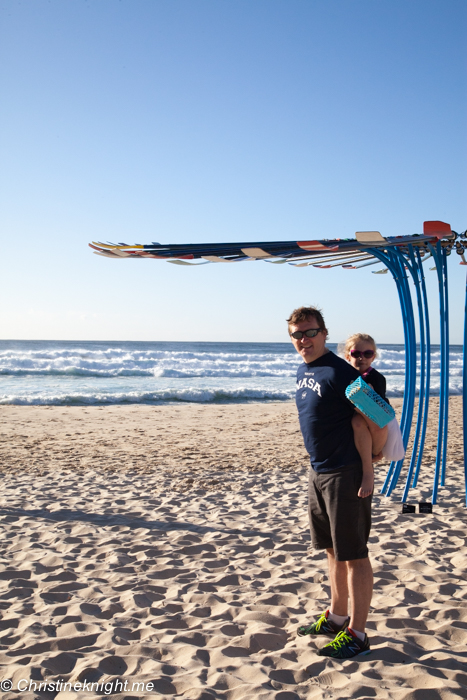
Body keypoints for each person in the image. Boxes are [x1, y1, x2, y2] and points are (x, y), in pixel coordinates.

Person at [288, 306, 386, 658]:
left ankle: (357, 634)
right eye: (297, 334)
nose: (303, 340)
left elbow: (380, 416)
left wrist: (373, 458)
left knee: (355, 553)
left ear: (324, 333)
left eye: (310, 332)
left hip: (346, 473)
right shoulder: (304, 369)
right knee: (332, 549)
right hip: (320, 472)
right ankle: (337, 616)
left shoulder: (343, 373)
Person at [342, 333, 405, 499]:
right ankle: (371, 455)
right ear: (348, 355)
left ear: (373, 357)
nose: (362, 358)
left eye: (367, 354)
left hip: (376, 415)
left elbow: (381, 402)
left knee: (358, 422)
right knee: (356, 423)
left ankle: (373, 459)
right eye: (356, 354)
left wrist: (369, 392)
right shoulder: (345, 375)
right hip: (358, 414)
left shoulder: (376, 377)